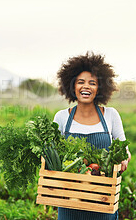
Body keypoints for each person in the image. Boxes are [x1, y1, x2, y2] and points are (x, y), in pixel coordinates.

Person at [53, 52, 131, 220]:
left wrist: (125, 157)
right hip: (69, 203)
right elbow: (53, 153)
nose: (86, 87)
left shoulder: (111, 115)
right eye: (80, 82)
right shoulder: (61, 117)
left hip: (102, 200)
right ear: (72, 86)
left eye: (92, 83)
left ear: (100, 88)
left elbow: (123, 146)